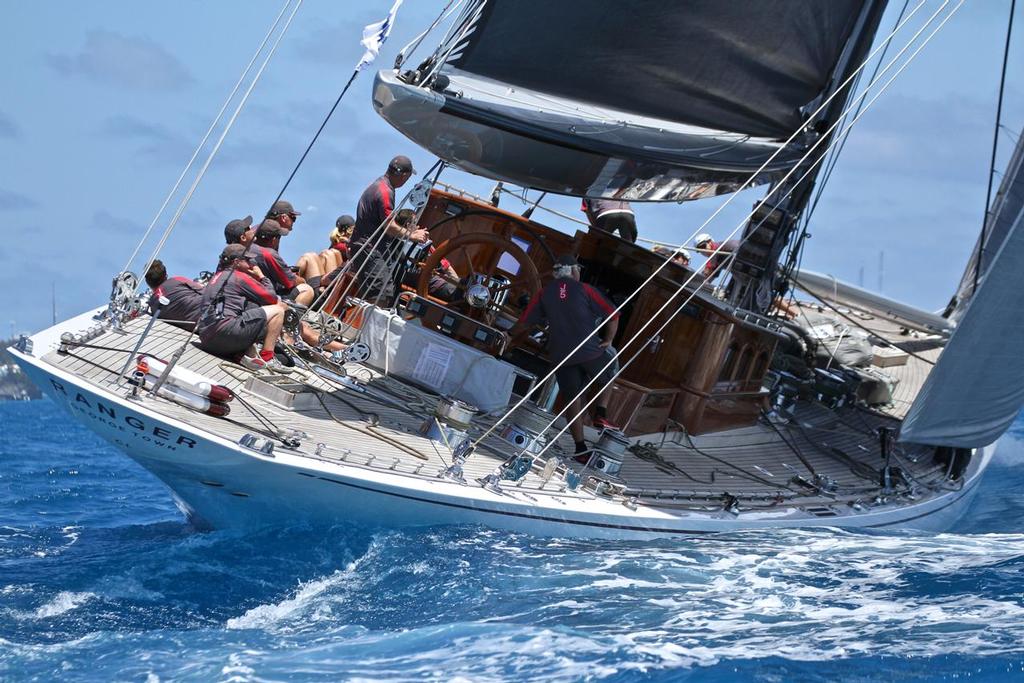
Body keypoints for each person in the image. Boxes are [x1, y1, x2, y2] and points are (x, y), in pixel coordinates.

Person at [506, 254, 620, 459]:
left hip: (562, 355)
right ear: (573, 271)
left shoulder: (544, 293)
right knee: (611, 363)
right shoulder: (586, 290)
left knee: (572, 400)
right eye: (578, 269)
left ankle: (580, 448)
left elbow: (525, 323)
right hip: (588, 352)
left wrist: (507, 335)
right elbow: (614, 315)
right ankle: (600, 413)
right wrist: (609, 340)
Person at [196, 244, 287, 370]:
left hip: (206, 338)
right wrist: (261, 276)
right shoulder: (239, 277)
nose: (251, 264)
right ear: (237, 262)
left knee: (251, 306)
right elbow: (271, 297)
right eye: (248, 260)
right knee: (278, 311)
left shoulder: (216, 277)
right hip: (226, 333)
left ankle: (241, 353)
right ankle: (268, 358)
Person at [249, 219, 315, 306]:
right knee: (306, 289)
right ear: (274, 239)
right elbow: (291, 282)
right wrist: (303, 280)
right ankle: (293, 317)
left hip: (251, 295)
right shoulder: (269, 254)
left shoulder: (248, 247)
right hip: (266, 298)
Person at [144, 260, 203, 331]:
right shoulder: (177, 280)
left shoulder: (153, 307)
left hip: (198, 329)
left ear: (147, 282)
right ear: (166, 275)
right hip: (209, 314)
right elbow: (207, 292)